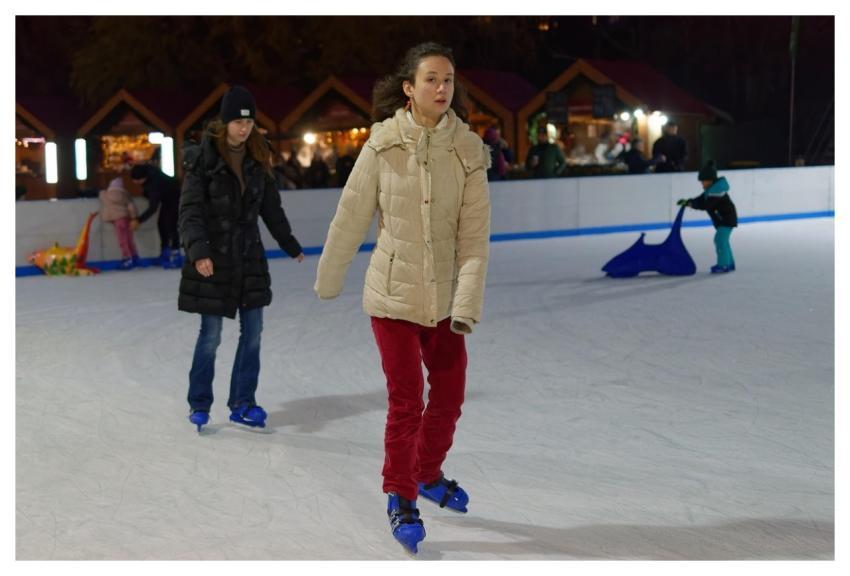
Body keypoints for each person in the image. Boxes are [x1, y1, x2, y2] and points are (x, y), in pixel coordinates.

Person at [314, 42, 491, 555]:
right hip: (391, 297)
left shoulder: (468, 150)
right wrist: (332, 275)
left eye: (449, 80)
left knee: (451, 395)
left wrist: (465, 305)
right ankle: (401, 492)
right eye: (431, 79)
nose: (442, 88)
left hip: (443, 301)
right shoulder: (383, 145)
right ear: (409, 88)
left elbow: (475, 239)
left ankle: (428, 473)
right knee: (407, 400)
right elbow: (351, 215)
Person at [178, 85, 305, 432]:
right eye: (237, 121)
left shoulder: (258, 159)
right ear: (225, 122)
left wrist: (290, 244)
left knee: (253, 333)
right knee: (211, 334)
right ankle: (199, 403)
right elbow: (189, 211)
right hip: (213, 257)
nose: (244, 128)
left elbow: (271, 209)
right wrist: (198, 251)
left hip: (249, 258)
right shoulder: (203, 159)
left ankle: (243, 403)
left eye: (248, 122)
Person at [678, 160, 737, 273]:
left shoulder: (717, 192)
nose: (702, 184)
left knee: (720, 240)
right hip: (724, 219)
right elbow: (701, 199)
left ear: (710, 180)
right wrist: (689, 201)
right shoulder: (711, 190)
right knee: (723, 241)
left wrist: (692, 204)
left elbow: (706, 205)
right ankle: (729, 263)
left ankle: (724, 265)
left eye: (703, 181)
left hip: (726, 219)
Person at [129, 162, 182, 268]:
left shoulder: (154, 184)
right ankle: (165, 252)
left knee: (170, 225)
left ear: (142, 178)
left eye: (137, 181)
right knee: (161, 224)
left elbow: (153, 207)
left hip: (175, 198)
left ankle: (176, 255)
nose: (136, 183)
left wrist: (138, 220)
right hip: (167, 199)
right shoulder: (150, 172)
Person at [98, 176, 140, 269]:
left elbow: (100, 194)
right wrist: (134, 218)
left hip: (117, 220)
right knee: (129, 240)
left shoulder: (105, 195)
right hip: (126, 219)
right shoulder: (126, 196)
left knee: (122, 241)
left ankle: (127, 259)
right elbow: (131, 207)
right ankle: (135, 258)